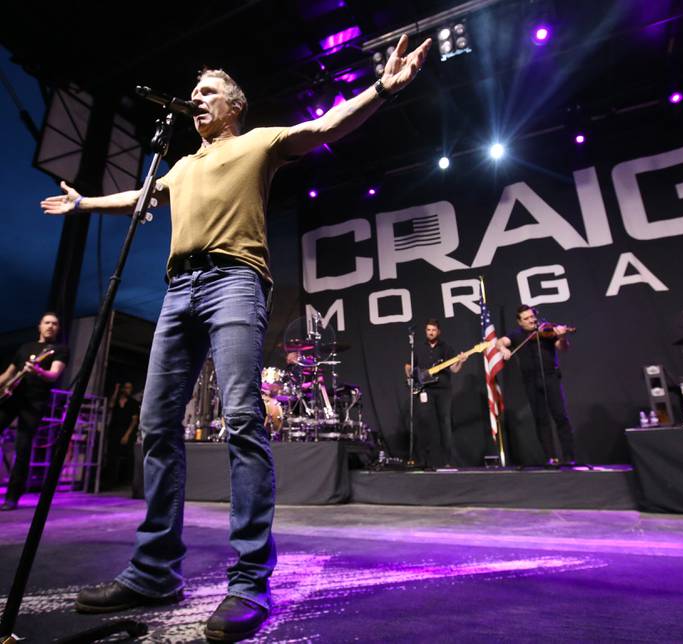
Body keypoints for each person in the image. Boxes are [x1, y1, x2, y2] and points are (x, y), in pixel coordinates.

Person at [41, 34, 431, 642]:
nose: (196, 99)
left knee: (243, 418)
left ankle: (249, 581)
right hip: (180, 289)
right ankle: (153, 571)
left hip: (235, 281)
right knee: (155, 423)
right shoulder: (180, 165)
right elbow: (141, 198)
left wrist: (383, 86)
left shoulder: (258, 143)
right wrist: (86, 201)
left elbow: (328, 123)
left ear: (234, 105)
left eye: (207, 92)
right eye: (194, 93)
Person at [0, 313, 69, 511]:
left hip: (35, 403)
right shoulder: (25, 348)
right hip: (11, 398)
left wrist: (38, 370)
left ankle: (12, 497)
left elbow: (53, 374)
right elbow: (7, 374)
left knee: (23, 448)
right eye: (47, 323)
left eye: (55, 324)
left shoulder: (59, 350)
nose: (51, 326)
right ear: (39, 326)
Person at [496, 305, 575, 466]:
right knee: (541, 419)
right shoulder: (517, 335)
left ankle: (569, 457)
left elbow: (563, 348)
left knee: (560, 416)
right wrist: (503, 349)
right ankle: (551, 457)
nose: (531, 320)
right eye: (526, 318)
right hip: (531, 380)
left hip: (550, 377)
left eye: (532, 316)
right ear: (519, 322)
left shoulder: (547, 330)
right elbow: (500, 342)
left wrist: (561, 337)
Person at [404, 319, 466, 468]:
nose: (431, 332)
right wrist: (410, 377)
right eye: (428, 330)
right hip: (425, 390)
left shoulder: (446, 348)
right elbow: (408, 367)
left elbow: (454, 370)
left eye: (433, 330)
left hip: (443, 391)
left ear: (439, 331)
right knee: (425, 423)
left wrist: (461, 361)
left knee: (445, 423)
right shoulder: (418, 348)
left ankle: (447, 461)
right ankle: (424, 460)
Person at [104, 382, 141, 488]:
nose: (126, 390)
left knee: (128, 456)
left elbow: (134, 420)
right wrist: (116, 390)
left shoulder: (133, 403)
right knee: (112, 456)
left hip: (127, 431)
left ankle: (126, 481)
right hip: (114, 430)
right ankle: (111, 480)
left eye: (129, 388)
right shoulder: (116, 400)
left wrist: (127, 435)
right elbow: (110, 406)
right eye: (125, 388)